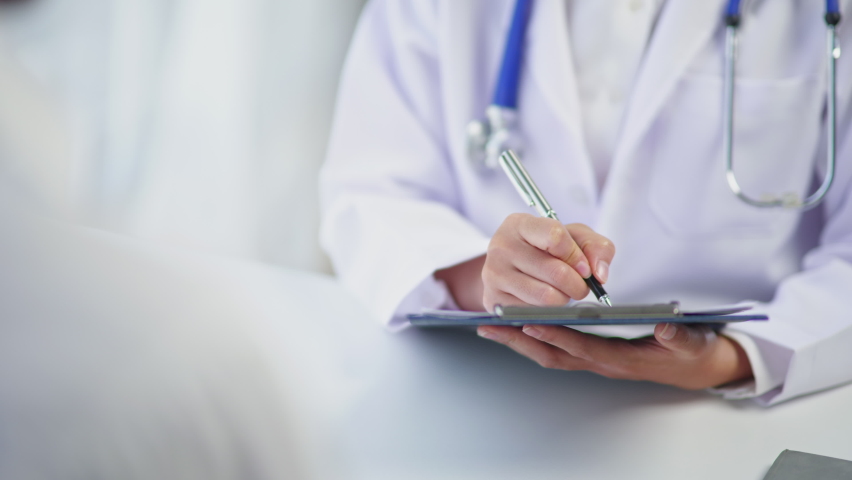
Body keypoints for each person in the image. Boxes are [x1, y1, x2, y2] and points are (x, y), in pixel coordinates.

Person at [320, 0, 852, 405]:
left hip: (728, 413)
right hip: (488, 400)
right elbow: (368, 192)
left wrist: (731, 359)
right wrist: (490, 276)